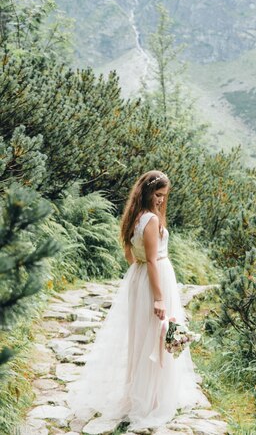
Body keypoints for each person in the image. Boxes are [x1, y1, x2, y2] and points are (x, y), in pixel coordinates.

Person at [66, 170, 202, 430]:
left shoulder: (134, 216)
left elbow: (131, 255)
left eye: (164, 196)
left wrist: (141, 269)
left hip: (140, 278)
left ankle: (143, 393)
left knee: (143, 337)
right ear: (148, 192)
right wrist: (159, 298)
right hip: (155, 278)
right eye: (158, 195)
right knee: (155, 337)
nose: (162, 200)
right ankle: (151, 399)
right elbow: (152, 259)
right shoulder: (150, 220)